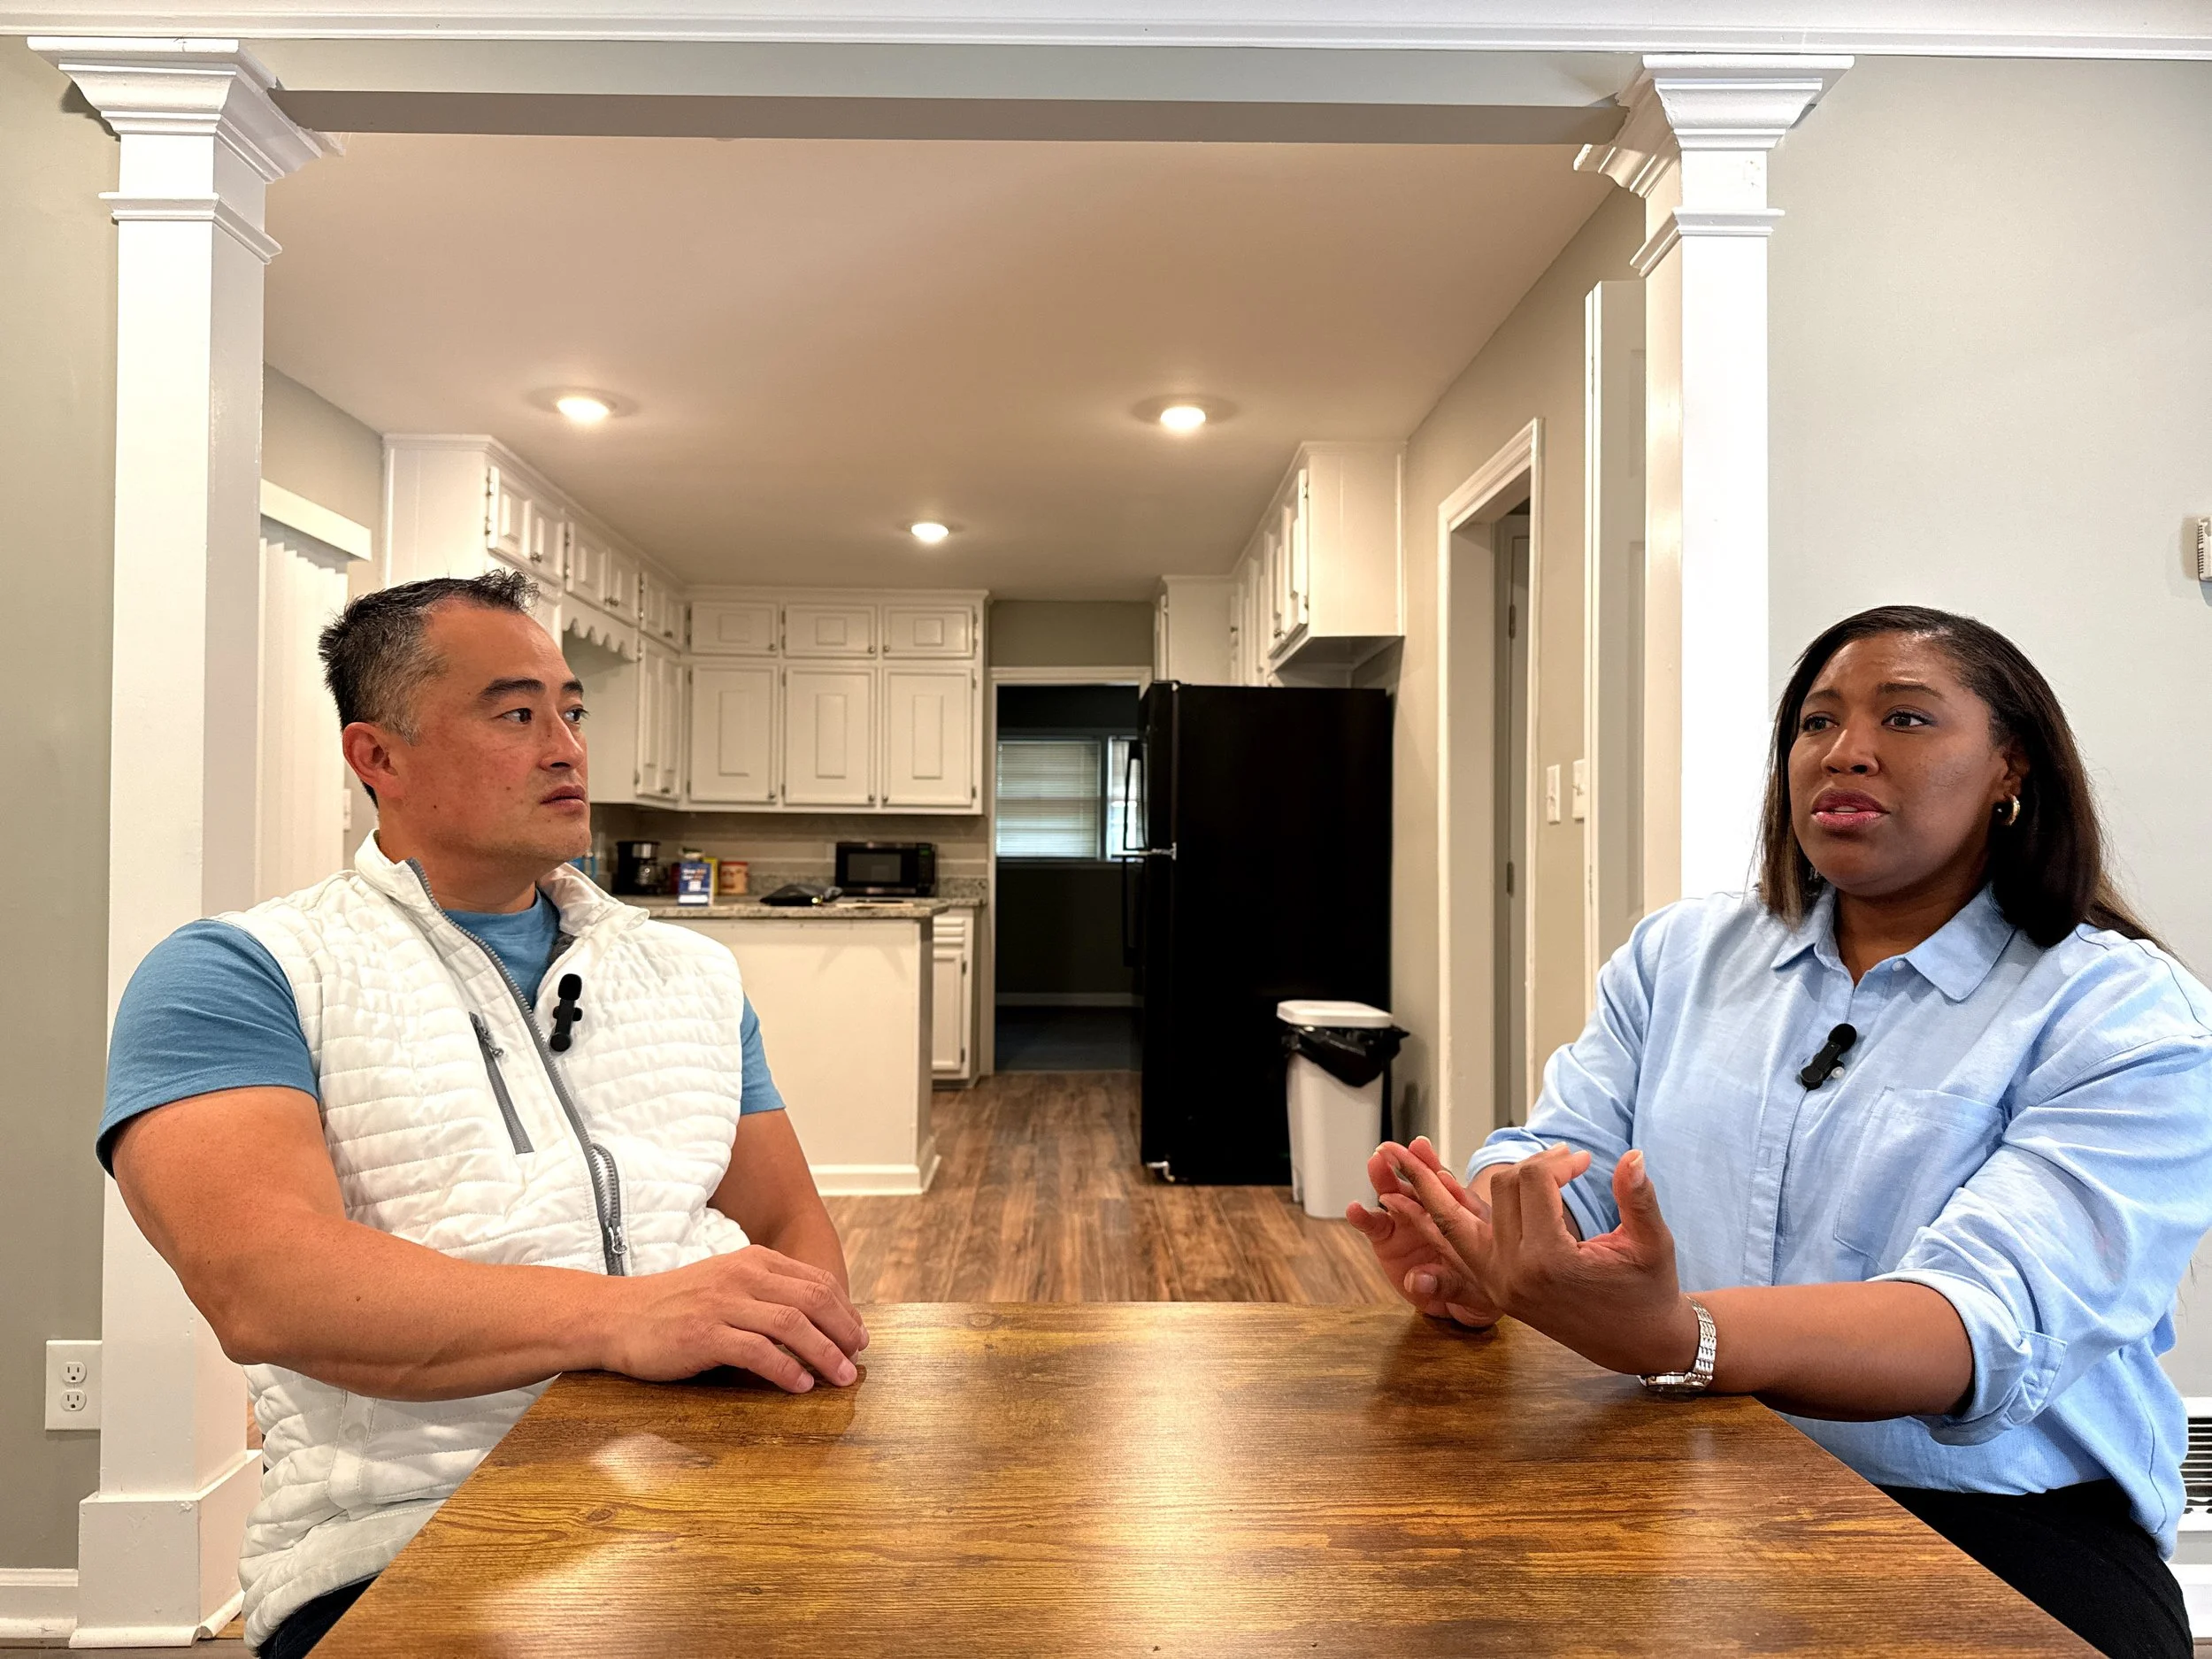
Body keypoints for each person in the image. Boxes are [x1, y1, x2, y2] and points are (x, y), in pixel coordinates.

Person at [1350, 604, 2212, 1659]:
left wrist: (1678, 1336)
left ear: (2008, 769)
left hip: (1996, 1522)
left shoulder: (2122, 1015)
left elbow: (1977, 1323)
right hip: (1682, 1463)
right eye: (1815, 722)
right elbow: (1562, 1156)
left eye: (1904, 719)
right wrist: (1490, 1243)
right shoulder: (1681, 955)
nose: (1844, 751)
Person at [101, 571, 868, 1659]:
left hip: (724, 1493)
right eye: (516, 713)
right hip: (403, 1532)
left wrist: (790, 1357)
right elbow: (262, 1286)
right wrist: (622, 1318)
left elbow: (791, 1225)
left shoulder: (690, 972)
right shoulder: (238, 975)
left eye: (572, 710)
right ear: (378, 758)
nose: (566, 746)